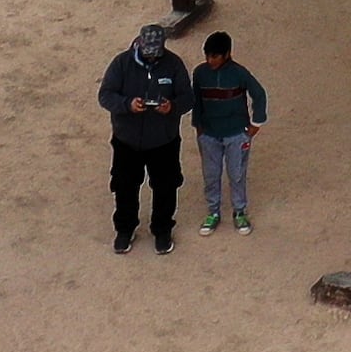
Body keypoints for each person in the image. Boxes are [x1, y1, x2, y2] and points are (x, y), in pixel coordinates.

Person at [98, 25, 190, 254]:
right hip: (127, 141)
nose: (150, 56)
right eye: (147, 50)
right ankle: (125, 230)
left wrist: (172, 107)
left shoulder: (174, 64)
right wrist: (127, 105)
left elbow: (187, 97)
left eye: (155, 52)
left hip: (164, 142)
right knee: (124, 186)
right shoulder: (121, 64)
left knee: (166, 187)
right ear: (138, 43)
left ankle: (162, 230)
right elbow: (105, 95)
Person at [189, 29, 269, 232]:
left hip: (235, 133)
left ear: (227, 54)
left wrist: (255, 124)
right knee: (211, 174)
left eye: (214, 56)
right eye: (207, 55)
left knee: (237, 173)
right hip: (209, 134)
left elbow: (259, 94)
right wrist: (198, 126)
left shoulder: (239, 73)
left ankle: (239, 211)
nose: (209, 60)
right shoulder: (200, 73)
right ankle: (213, 211)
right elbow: (196, 101)